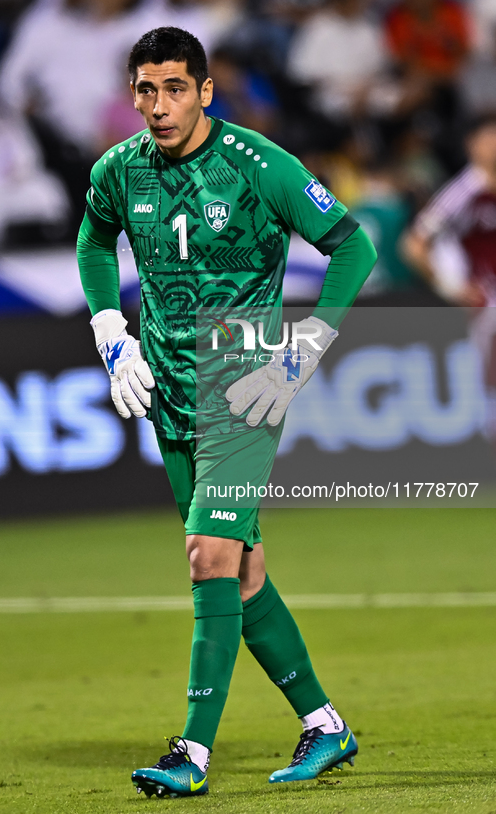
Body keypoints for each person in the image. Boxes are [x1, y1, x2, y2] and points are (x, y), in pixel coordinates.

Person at [76, 26, 377, 798]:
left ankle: (192, 754)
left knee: (206, 557)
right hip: (167, 385)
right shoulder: (120, 169)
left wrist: (306, 343)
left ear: (205, 92)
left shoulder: (256, 166)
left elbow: (352, 247)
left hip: (243, 382)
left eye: (175, 87)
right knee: (240, 573)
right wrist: (111, 329)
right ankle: (323, 724)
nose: (158, 105)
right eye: (145, 89)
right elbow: (93, 240)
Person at [402, 113, 496, 440]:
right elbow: (414, 245)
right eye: (489, 137)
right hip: (486, 300)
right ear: (473, 145)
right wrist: (451, 287)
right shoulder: (462, 192)